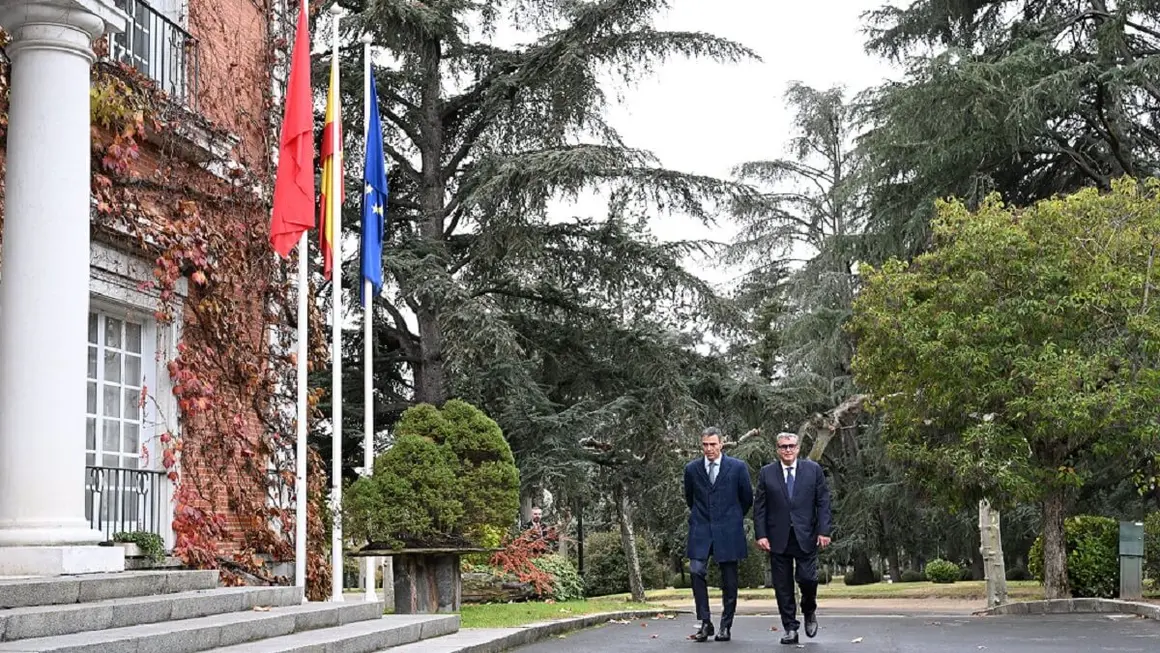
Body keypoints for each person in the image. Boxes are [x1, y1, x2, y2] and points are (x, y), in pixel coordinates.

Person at [754, 432, 832, 645]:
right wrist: (760, 534)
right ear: (777, 450)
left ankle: (809, 610)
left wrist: (824, 531)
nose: (787, 450)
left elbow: (823, 501)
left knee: (808, 579)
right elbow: (760, 507)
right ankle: (790, 627)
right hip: (777, 538)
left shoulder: (812, 470)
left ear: (798, 448)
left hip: (806, 536)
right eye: (783, 447)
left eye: (791, 446)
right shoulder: (767, 473)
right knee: (782, 586)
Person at [683, 427, 753, 643]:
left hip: (728, 529)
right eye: (705, 444)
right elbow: (690, 498)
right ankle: (705, 622)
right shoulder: (692, 469)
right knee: (696, 571)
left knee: (729, 580)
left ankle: (726, 625)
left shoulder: (737, 467)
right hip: (701, 528)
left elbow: (746, 498)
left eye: (713, 444)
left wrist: (732, 517)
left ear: (721, 444)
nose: (709, 449)